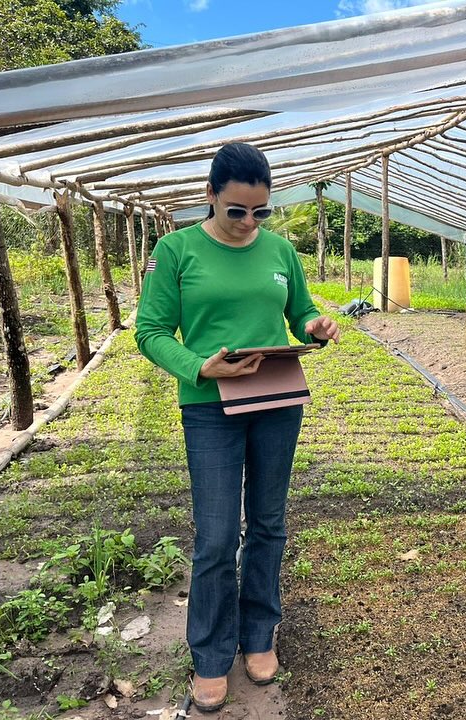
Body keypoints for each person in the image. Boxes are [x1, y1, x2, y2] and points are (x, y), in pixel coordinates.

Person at [135, 143, 340, 711]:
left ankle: (258, 634)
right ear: (211, 197)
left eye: (261, 212)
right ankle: (209, 651)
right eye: (237, 211)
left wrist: (315, 324)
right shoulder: (176, 250)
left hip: (276, 397)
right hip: (209, 405)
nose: (249, 222)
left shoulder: (279, 250)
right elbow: (150, 332)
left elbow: (298, 308)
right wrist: (198, 365)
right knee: (219, 534)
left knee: (269, 522)